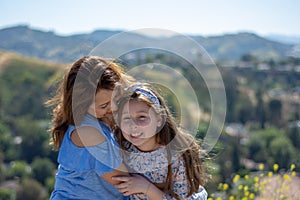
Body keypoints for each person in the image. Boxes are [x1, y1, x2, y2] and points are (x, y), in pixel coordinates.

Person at [47, 56, 132, 199]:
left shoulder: (100, 119)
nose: (114, 107)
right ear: (82, 104)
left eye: (117, 99)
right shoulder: (88, 132)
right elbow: (124, 180)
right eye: (104, 105)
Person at [111, 83, 208, 200]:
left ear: (159, 119)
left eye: (142, 117)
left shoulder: (176, 156)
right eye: (126, 118)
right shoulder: (121, 147)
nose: (133, 126)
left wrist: (146, 188)